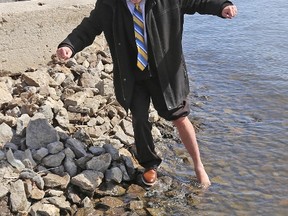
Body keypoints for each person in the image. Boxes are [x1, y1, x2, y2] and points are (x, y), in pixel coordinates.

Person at [56, 0, 237, 187]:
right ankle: (150, 164)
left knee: (179, 116)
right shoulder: (109, 4)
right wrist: (70, 45)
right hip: (131, 74)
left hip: (164, 72)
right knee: (140, 117)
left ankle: (199, 166)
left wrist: (222, 6)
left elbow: (199, 2)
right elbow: (90, 26)